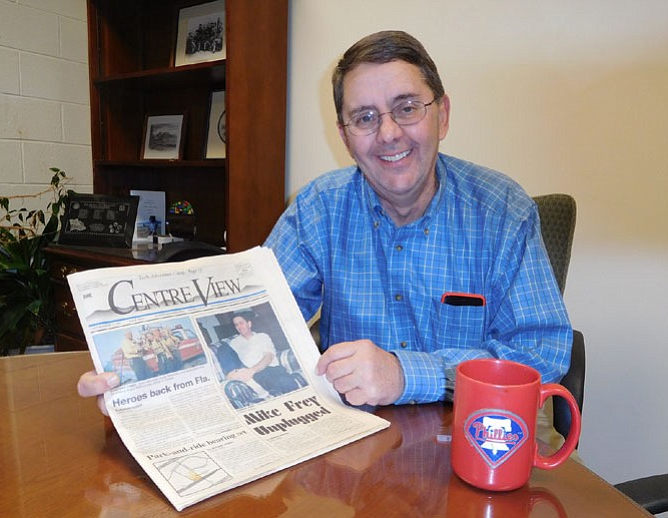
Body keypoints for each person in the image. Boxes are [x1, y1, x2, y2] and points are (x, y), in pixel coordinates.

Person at [77, 31, 571, 436]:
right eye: (365, 118)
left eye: (407, 108)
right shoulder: (318, 208)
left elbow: (541, 356)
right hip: (354, 450)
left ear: (442, 113)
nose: (389, 134)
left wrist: (406, 373)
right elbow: (251, 319)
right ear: (345, 135)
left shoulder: (503, 210)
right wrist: (149, 386)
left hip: (477, 442)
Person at [226, 312, 299, 396]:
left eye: (241, 323)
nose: (239, 327)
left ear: (249, 324)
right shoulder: (234, 343)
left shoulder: (262, 337)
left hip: (271, 369)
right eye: (236, 325)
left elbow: (269, 356)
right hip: (254, 376)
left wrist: (251, 371)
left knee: (286, 382)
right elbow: (232, 361)